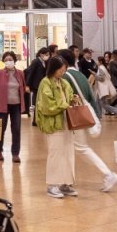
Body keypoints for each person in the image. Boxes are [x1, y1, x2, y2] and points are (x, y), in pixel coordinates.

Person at [59, 48, 117, 193]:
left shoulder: (65, 77)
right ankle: (66, 181)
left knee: (80, 148)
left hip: (73, 115)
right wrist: (95, 115)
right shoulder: (79, 75)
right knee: (75, 148)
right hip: (83, 114)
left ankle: (107, 174)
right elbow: (90, 97)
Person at [36, 55, 76, 199]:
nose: (63, 72)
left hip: (67, 122)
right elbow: (47, 105)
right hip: (53, 124)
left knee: (68, 153)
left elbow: (70, 95)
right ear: (54, 68)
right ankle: (52, 184)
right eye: (61, 69)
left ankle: (65, 183)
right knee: (55, 153)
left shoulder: (64, 82)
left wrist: (73, 99)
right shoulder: (45, 83)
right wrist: (65, 104)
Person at [0, 51, 25, 162]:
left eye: (10, 59)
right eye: (6, 60)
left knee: (16, 129)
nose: (8, 61)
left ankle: (15, 153)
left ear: (14, 60)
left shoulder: (20, 73)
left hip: (16, 105)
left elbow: (22, 88)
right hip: (2, 105)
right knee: (0, 129)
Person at [23, 47, 50, 125]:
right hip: (36, 85)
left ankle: (38, 119)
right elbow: (30, 73)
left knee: (41, 102)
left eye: (48, 55)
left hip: (42, 85)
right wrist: (27, 85)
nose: (47, 56)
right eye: (46, 54)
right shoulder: (36, 62)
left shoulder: (45, 62)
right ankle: (35, 121)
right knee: (37, 102)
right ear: (41, 54)